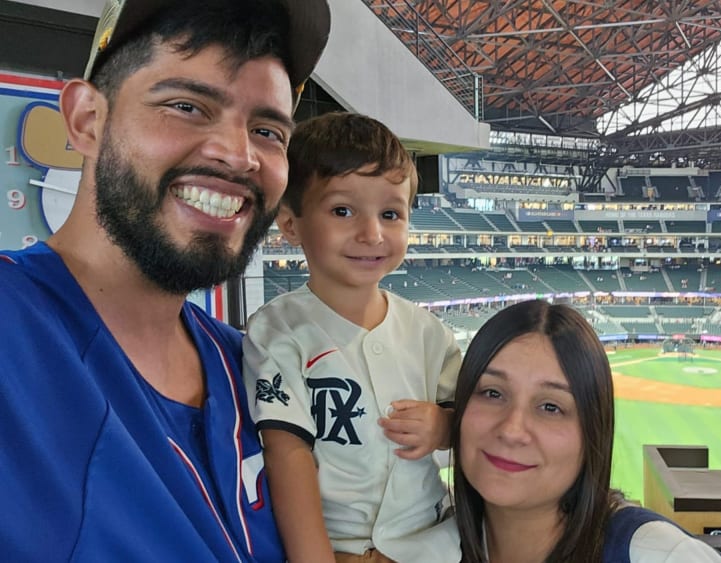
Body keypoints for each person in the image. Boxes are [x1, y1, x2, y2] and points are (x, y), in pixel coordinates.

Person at [0, 0, 330, 560]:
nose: (239, 154)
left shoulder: (253, 366)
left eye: (268, 130)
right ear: (87, 120)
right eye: (187, 106)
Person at [243, 112, 461, 563]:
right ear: (290, 225)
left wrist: (444, 426)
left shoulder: (427, 331)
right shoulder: (276, 330)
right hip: (335, 547)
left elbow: (472, 420)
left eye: (391, 213)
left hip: (432, 543)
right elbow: (288, 457)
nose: (372, 233)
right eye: (343, 210)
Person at [450, 299, 721, 562]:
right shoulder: (428, 542)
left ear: (592, 431)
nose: (511, 430)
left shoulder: (656, 554)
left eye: (550, 407)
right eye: (492, 393)